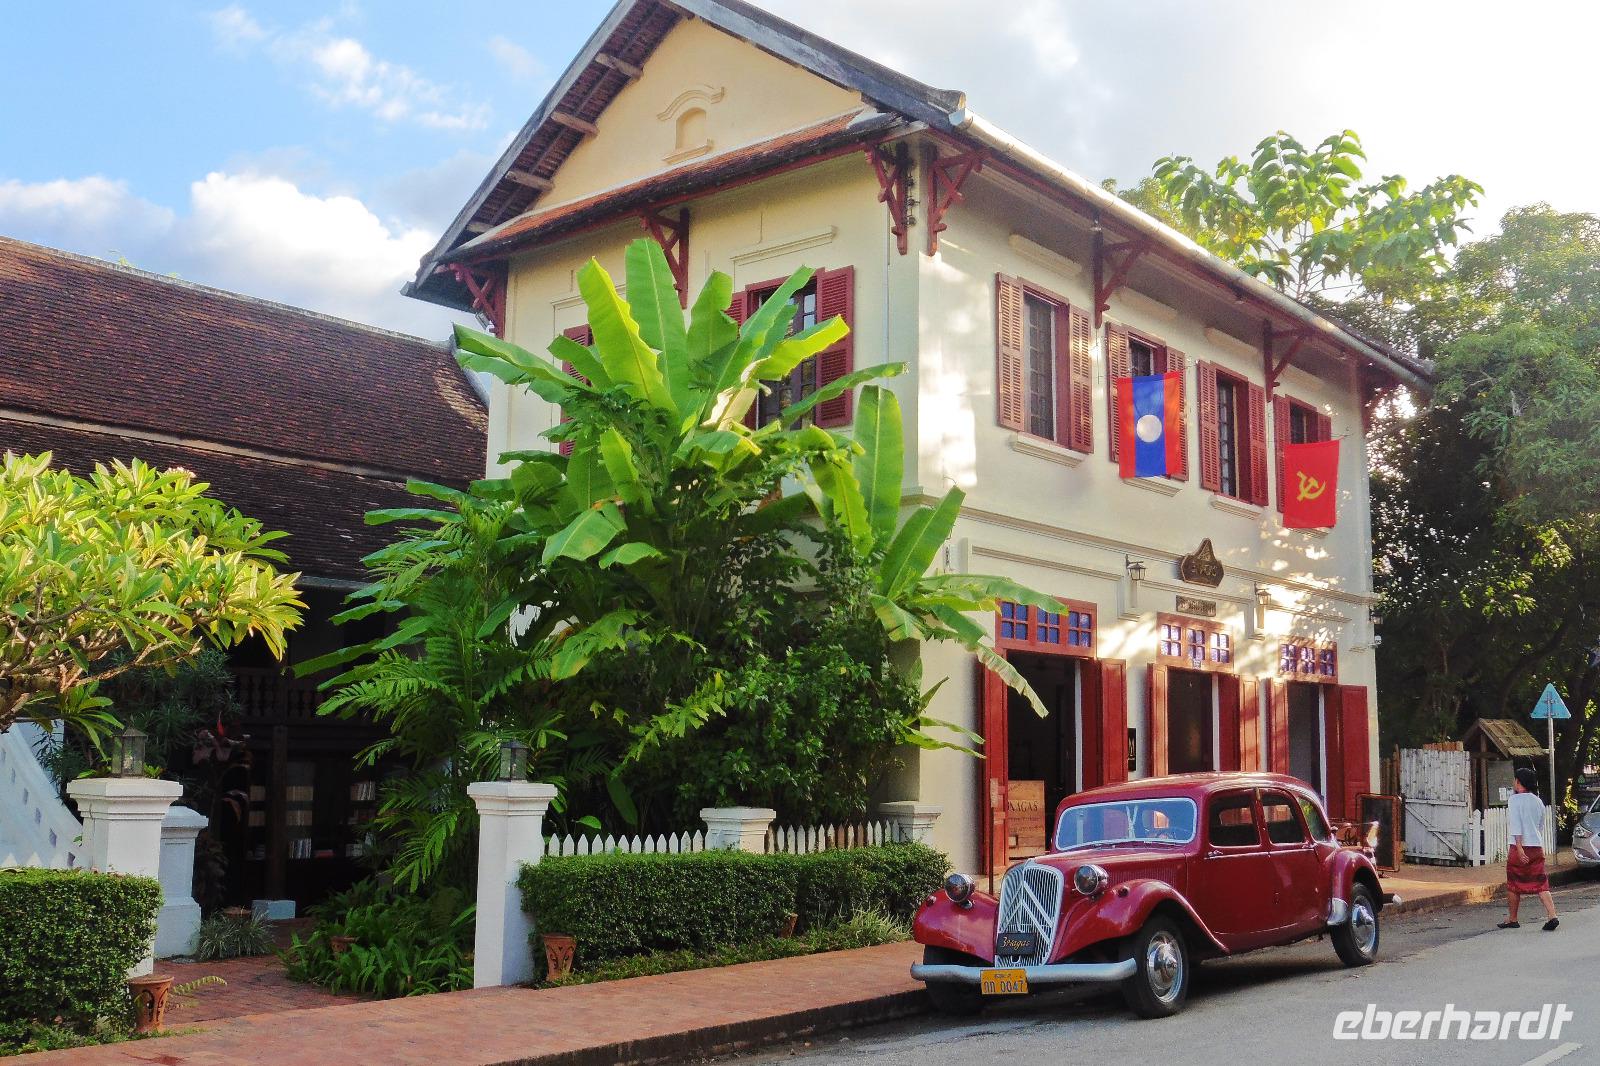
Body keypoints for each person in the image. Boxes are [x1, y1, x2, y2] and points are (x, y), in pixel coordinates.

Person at [1499, 766, 1558, 931]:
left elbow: (1516, 825)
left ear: (1519, 782)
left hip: (1519, 847)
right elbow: (1540, 825)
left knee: (1513, 883)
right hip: (1536, 846)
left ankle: (1513, 918)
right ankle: (1552, 915)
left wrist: (1519, 847)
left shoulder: (1514, 800)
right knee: (1541, 882)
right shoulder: (1538, 801)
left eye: (1515, 780)